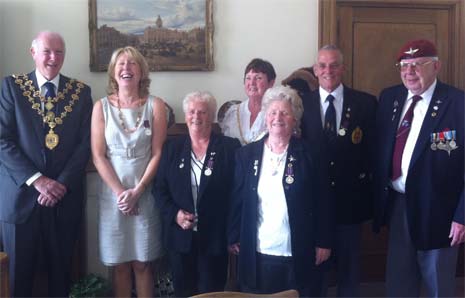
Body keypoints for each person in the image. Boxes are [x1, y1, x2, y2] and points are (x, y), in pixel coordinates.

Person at [0, 31, 93, 297]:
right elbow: (3, 141)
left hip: (64, 200)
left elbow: (85, 145)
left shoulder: (80, 92)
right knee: (18, 279)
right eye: (47, 51)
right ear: (33, 53)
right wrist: (39, 181)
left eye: (59, 52)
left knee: (61, 277)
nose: (54, 58)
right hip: (19, 200)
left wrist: (60, 183)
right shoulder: (12, 87)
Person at [373, 39, 465, 297]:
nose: (409, 72)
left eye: (417, 65)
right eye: (404, 65)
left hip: (441, 211)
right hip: (398, 205)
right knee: (399, 283)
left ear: (436, 67)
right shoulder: (390, 98)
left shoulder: (457, 103)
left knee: (439, 285)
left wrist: (462, 215)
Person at [228, 85, 333, 296]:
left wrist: (324, 241)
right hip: (258, 250)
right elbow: (237, 198)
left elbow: (324, 200)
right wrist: (233, 235)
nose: (278, 117)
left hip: (297, 249)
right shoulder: (246, 155)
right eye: (273, 112)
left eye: (285, 112)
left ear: (294, 119)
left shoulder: (310, 154)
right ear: (266, 117)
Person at [300, 45, 377, 297]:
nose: (328, 70)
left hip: (350, 203)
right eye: (322, 65)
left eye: (334, 65)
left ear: (343, 68)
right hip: (313, 204)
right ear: (315, 70)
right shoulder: (301, 104)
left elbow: (373, 151)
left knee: (349, 272)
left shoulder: (365, 103)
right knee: (316, 273)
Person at [91, 46, 167, 297]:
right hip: (113, 196)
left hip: (145, 192)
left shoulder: (156, 106)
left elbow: (157, 153)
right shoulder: (100, 108)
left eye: (132, 64)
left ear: (141, 71)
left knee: (143, 263)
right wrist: (122, 193)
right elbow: (98, 155)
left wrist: (138, 191)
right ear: (113, 72)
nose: (126, 68)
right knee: (120, 265)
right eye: (121, 64)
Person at [154, 91, 240, 296]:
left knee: (212, 292)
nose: (196, 117)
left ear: (210, 116)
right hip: (180, 237)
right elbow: (159, 190)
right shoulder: (171, 148)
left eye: (202, 112)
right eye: (192, 111)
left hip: (215, 237)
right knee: (184, 292)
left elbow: (237, 195)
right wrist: (175, 214)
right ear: (186, 116)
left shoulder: (229, 148)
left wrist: (233, 233)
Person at [219, 58, 276, 145]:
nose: (252, 83)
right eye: (248, 78)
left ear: (271, 83)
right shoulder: (233, 113)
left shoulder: (277, 113)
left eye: (258, 78)